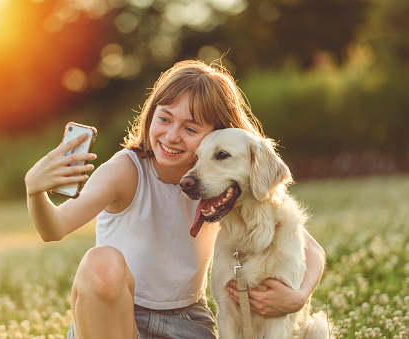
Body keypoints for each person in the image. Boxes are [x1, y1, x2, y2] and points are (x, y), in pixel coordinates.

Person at [25, 60, 326, 339]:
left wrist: (297, 298)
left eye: (190, 128)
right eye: (165, 119)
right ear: (151, 114)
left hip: (187, 323)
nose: (171, 136)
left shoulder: (220, 185)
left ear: (216, 134)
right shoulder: (125, 171)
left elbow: (307, 247)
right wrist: (35, 191)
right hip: (115, 317)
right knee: (101, 262)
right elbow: (55, 228)